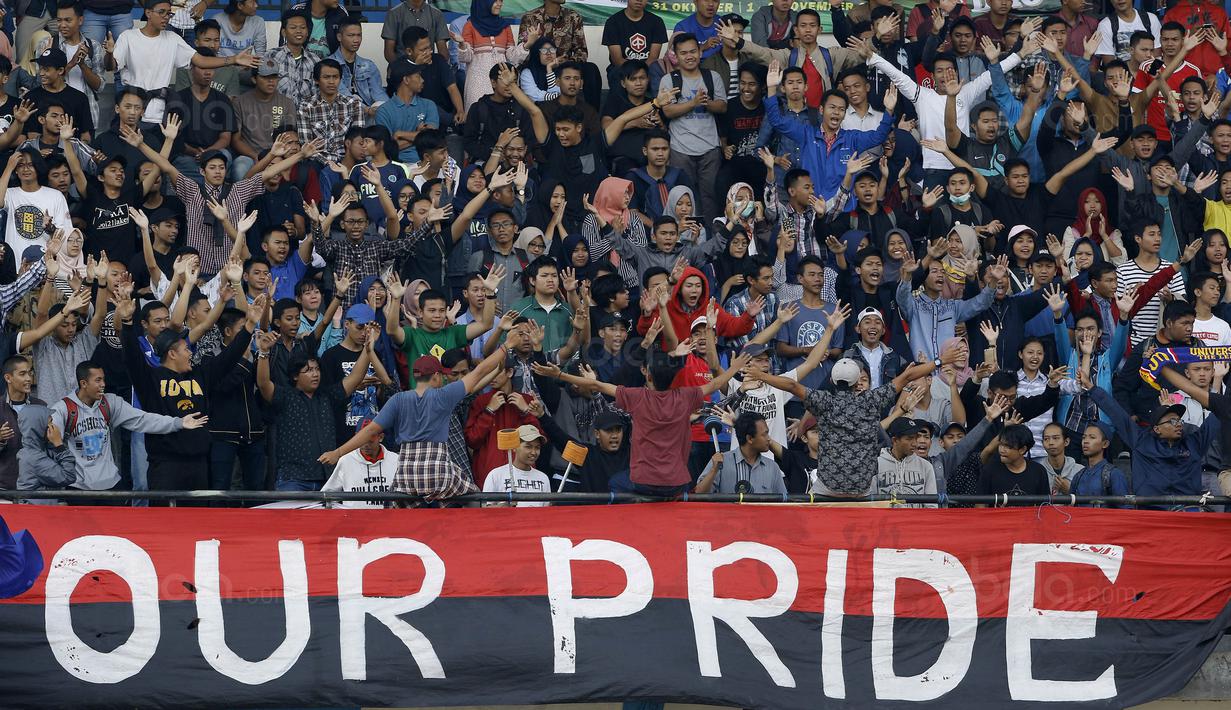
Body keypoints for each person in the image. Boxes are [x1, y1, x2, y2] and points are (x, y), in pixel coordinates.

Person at [318, 329, 531, 501]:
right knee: (473, 497)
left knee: (399, 504)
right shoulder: (445, 395)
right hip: (439, 474)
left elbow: (371, 430)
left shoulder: (398, 399)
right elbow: (479, 371)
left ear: (415, 376)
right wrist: (506, 346)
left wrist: (338, 452)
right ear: (436, 376)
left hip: (407, 476)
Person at [51, 359, 207, 494]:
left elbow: (143, 419)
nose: (103, 384)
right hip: (78, 488)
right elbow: (50, 444)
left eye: (103, 379)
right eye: (98, 380)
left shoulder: (110, 403)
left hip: (110, 485)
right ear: (83, 383)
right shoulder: (63, 409)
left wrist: (178, 422)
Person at [255, 321, 372, 491]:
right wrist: (264, 352)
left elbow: (355, 377)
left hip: (328, 479)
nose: (315, 374)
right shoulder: (285, 396)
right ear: (295, 376)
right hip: (293, 478)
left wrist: (368, 348)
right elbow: (263, 383)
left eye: (317, 369)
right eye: (309, 370)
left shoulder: (328, 395)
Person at [106, 0, 259, 127]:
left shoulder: (173, 39)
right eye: (161, 12)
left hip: (159, 115)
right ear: (148, 13)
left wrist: (233, 59)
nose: (166, 17)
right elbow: (110, 66)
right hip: (132, 112)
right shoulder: (129, 37)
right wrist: (110, 53)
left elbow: (200, 60)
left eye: (169, 13)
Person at [658, 33, 726, 221]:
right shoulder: (669, 80)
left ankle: (710, 234)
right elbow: (668, 111)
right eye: (683, 53)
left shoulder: (712, 77)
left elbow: (722, 106)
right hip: (680, 149)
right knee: (683, 198)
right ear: (675, 56)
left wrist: (706, 103)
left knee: (710, 197)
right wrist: (693, 103)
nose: (689, 56)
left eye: (693, 51)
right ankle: (684, 234)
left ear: (700, 52)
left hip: (710, 148)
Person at [696, 411, 787, 494]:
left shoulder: (772, 467)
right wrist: (714, 470)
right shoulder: (721, 462)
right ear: (750, 438)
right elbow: (699, 493)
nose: (769, 439)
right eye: (764, 434)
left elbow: (784, 502)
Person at [320, 418, 398, 507]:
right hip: (354, 516)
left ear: (381, 437)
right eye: (362, 440)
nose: (366, 445)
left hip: (389, 516)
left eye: (370, 440)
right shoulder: (346, 460)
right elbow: (327, 495)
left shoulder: (396, 460)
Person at [480, 422, 552, 505]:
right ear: (514, 447)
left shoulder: (543, 478)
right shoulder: (496, 475)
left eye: (537, 447)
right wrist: (505, 506)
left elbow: (547, 510)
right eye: (528, 447)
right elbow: (484, 509)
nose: (533, 452)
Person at [976, 424, 1052, 501]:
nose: (1001, 450)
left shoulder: (1038, 471)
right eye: (1001, 444)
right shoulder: (990, 470)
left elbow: (1045, 504)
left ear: (1022, 449)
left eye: (1008, 446)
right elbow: (980, 503)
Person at [874, 417, 938, 506]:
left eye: (916, 438)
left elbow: (932, 505)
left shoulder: (926, 466)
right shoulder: (876, 464)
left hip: (917, 515)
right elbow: (870, 503)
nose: (915, 443)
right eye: (909, 438)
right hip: (885, 515)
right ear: (895, 440)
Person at [1068, 421, 1131, 504]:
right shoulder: (1078, 476)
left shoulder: (1115, 474)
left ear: (1105, 444)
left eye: (1092, 437)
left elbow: (1126, 508)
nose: (1085, 441)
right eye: (1084, 437)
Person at [267, 10, 321, 107]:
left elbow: (318, 93)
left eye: (303, 27)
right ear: (284, 32)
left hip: (306, 114)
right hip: (276, 112)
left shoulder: (315, 61)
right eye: (293, 27)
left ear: (307, 32)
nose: (299, 31)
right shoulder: (271, 56)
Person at [381, 0, 450, 62]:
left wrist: (440, 68)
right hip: (401, 67)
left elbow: (443, 50)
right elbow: (388, 52)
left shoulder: (437, 14)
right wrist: (401, 69)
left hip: (428, 67)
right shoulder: (394, 13)